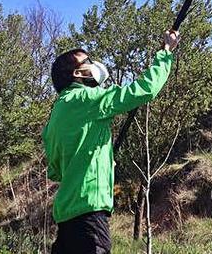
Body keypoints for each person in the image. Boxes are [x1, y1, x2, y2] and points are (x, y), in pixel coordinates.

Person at [42, 30, 180, 254]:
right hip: (89, 216)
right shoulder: (86, 98)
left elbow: (57, 172)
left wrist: (98, 159)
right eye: (88, 61)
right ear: (77, 73)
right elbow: (145, 89)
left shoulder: (55, 116)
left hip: (66, 220)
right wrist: (165, 52)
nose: (94, 63)